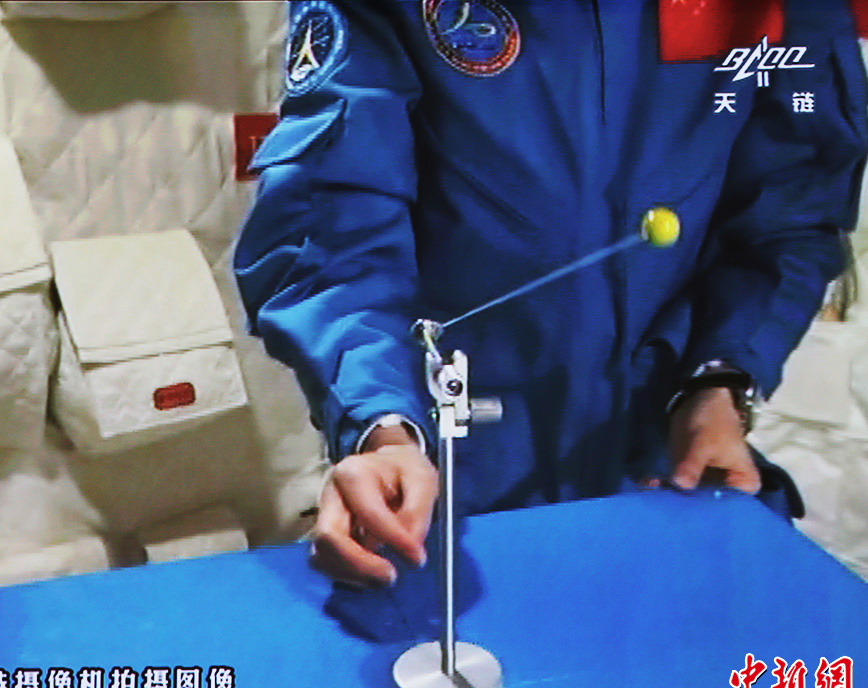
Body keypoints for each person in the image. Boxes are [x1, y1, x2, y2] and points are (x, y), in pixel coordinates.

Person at [234, 0, 868, 588]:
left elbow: (791, 205)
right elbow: (336, 226)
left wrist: (718, 382)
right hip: (446, 481)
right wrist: (382, 428)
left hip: (666, 473)